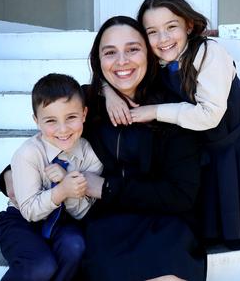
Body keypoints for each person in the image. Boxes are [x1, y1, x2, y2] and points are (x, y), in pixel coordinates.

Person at [104, 0, 240, 249]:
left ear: (188, 25)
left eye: (171, 27)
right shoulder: (158, 60)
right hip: (204, 149)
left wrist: (154, 111)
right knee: (206, 226)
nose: (162, 38)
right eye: (152, 31)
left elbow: (209, 115)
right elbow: (115, 70)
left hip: (236, 146)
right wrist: (108, 92)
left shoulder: (209, 53)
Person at [80, 16, 205, 281]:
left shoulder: (171, 109)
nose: (122, 61)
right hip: (108, 224)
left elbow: (181, 195)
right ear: (98, 60)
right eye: (110, 53)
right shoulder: (85, 103)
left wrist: (105, 188)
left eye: (133, 49)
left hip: (166, 221)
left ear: (148, 54)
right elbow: (50, 141)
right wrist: (10, 175)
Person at [0, 73, 103, 281]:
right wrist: (60, 191)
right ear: (36, 121)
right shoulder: (28, 154)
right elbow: (29, 211)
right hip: (20, 221)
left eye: (71, 117)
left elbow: (84, 213)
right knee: (41, 265)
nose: (63, 129)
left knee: (75, 246)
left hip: (62, 222)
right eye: (51, 121)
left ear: (84, 114)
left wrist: (68, 184)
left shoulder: (89, 155)